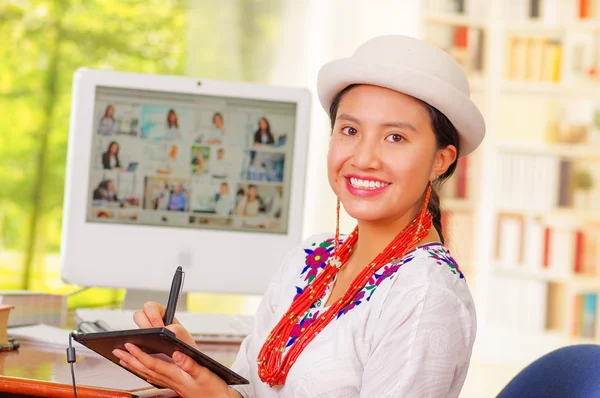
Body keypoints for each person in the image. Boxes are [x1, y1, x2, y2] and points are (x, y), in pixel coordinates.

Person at [114, 35, 485, 397]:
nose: (363, 158)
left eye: (395, 138)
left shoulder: (425, 296)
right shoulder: (312, 255)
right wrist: (188, 365)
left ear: (441, 159)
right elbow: (251, 389)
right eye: (350, 130)